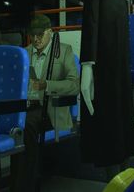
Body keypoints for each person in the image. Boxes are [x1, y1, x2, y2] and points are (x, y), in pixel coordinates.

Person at [79, 0, 134, 172]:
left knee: (102, 94)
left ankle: (112, 172)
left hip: (102, 9)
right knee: (118, 91)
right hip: (119, 12)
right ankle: (123, 165)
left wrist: (87, 61)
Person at [10, 13, 80, 192]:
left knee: (26, 125)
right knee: (3, 121)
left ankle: (24, 186)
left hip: (49, 108)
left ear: (50, 32)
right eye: (32, 35)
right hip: (25, 106)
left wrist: (47, 85)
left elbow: (74, 85)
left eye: (40, 34)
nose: (36, 39)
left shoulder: (64, 51)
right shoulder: (24, 53)